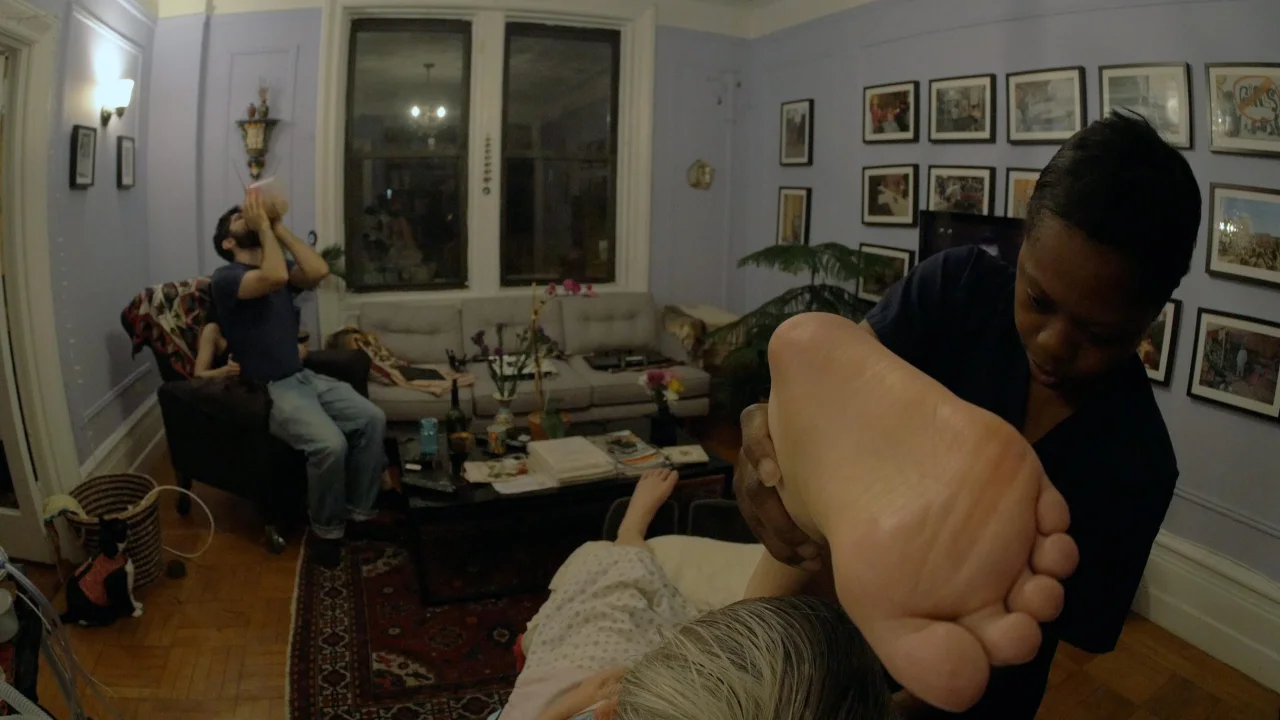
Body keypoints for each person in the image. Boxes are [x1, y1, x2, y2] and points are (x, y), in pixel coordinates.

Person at [736, 111, 1201, 718]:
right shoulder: (953, 291)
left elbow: (1056, 630)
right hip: (826, 635)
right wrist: (777, 450)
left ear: (1152, 316)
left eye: (1098, 334)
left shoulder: (1139, 463)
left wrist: (907, 701)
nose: (1053, 344)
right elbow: (831, 405)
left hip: (971, 696)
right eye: (1037, 299)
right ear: (1024, 241)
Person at [495, 469, 894, 720]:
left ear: (610, 715)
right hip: (644, 681)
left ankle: (629, 535)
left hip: (578, 676)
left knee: (608, 597)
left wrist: (573, 702)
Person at [211, 187, 387, 567]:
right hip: (270, 389)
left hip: (303, 377)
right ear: (228, 242)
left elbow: (319, 271)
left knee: (372, 419)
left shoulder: (277, 268)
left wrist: (277, 227)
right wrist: (263, 227)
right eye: (239, 217)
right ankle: (327, 532)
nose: (247, 215)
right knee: (329, 445)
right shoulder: (226, 277)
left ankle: (360, 513)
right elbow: (274, 276)